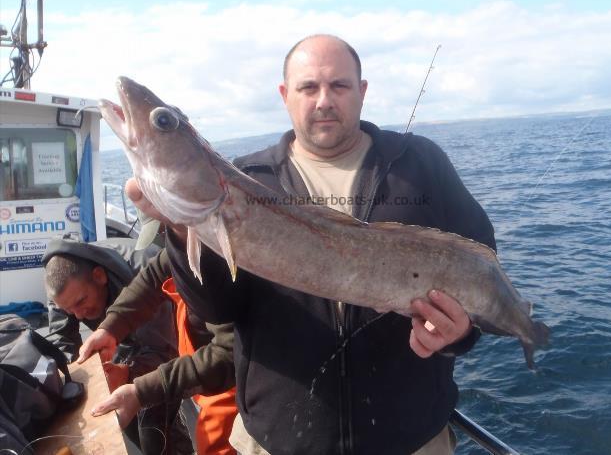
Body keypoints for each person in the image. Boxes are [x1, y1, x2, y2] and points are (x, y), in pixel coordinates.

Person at [126, 34, 496, 455]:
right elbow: (218, 310)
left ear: (362, 91)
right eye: (308, 87)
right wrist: (178, 229)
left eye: (339, 85)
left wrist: (460, 333)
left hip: (412, 441)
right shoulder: (250, 178)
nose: (324, 100)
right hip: (278, 442)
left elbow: (480, 266)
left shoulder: (421, 163)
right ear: (285, 96)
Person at [77, 249, 239, 455]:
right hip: (200, 377)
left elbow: (228, 353)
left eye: (81, 301)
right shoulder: (182, 236)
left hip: (237, 384)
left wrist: (140, 389)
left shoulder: (221, 251)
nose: (78, 315)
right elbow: (156, 273)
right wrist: (110, 328)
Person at [42, 236, 193, 455]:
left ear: (99, 276)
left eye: (81, 302)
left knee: (154, 422)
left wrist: (129, 373)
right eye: (68, 310)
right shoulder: (61, 289)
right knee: (123, 414)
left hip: (165, 335)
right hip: (120, 338)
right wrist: (68, 377)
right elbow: (61, 338)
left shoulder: (144, 272)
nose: (78, 314)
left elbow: (164, 351)